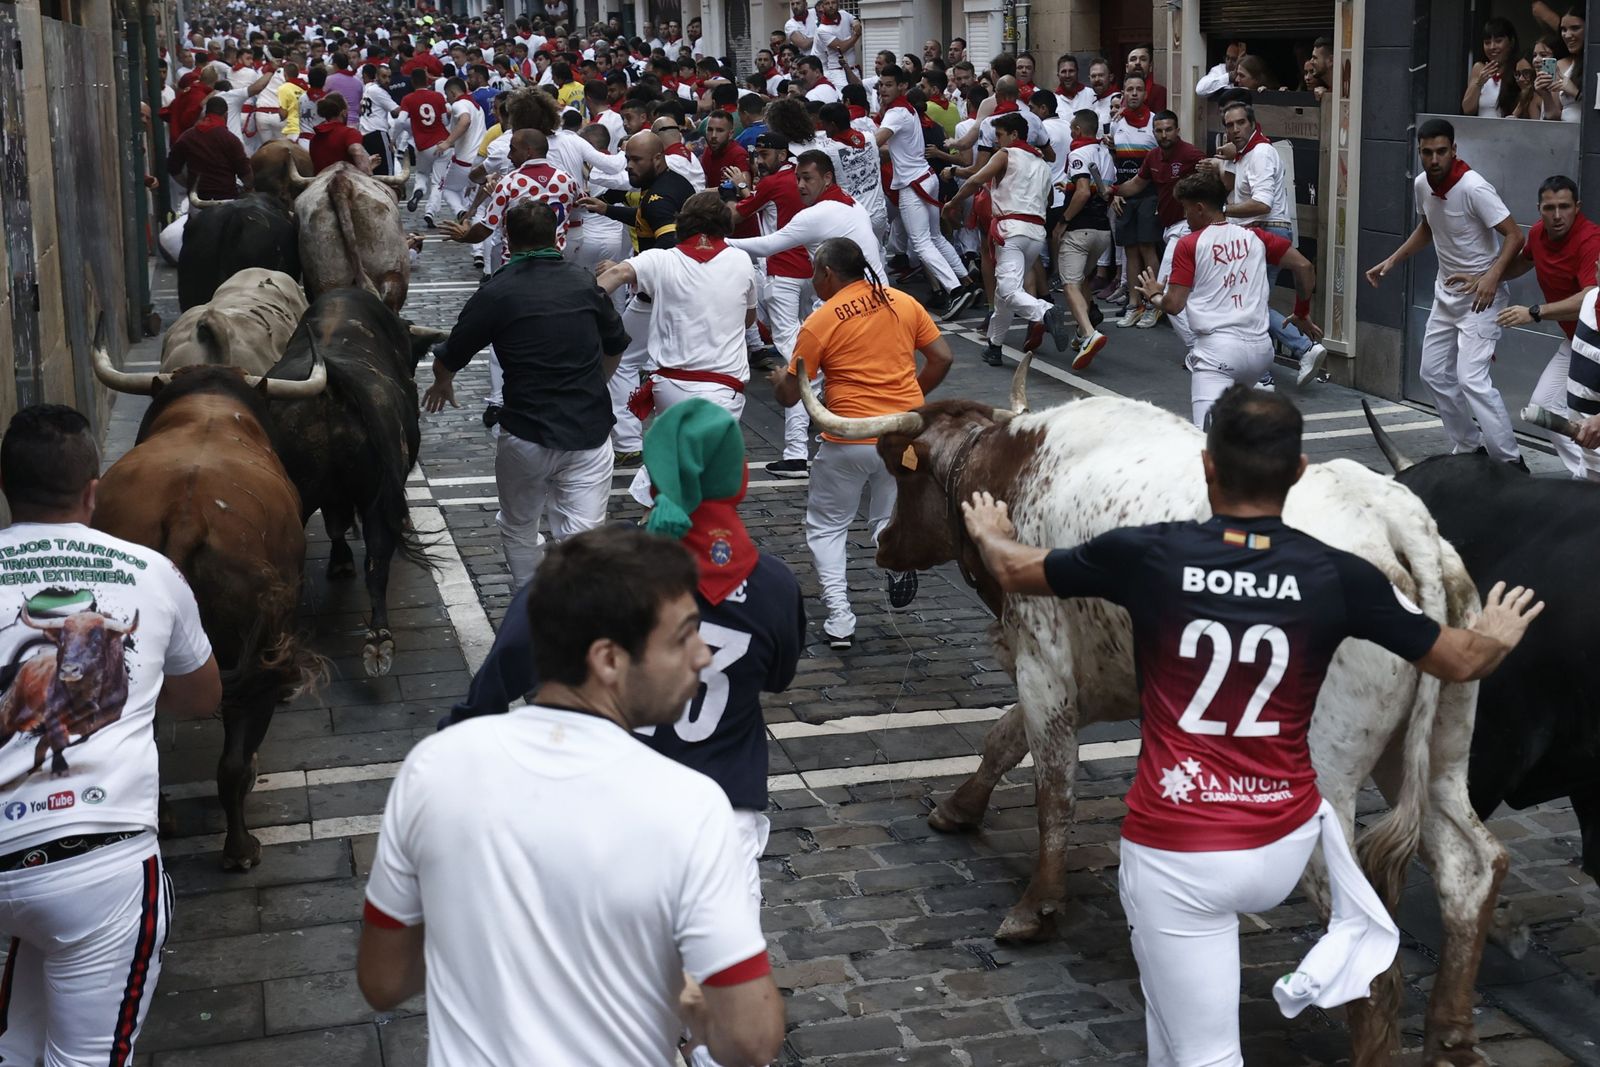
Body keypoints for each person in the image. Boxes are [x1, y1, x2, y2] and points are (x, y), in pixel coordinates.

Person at [956, 384, 1544, 1067]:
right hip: (1281, 842)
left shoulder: (1150, 553)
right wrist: (1497, 632)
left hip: (1178, 850)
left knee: (1203, 1050)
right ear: (1299, 473)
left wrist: (988, 527)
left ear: (1206, 466)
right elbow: (1459, 657)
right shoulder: (1338, 572)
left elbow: (1014, 569)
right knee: (1173, 1039)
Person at [358, 526, 785, 1067]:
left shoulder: (432, 768)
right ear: (608, 659)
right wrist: (695, 1003)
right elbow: (750, 1041)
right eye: (683, 637)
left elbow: (383, 980)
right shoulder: (693, 807)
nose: (702, 656)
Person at [0, 405, 220, 1067]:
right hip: (99, 863)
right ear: (93, 490)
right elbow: (201, 695)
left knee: (14, 1044)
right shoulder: (152, 573)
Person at [422, 200, 629, 587]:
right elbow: (615, 345)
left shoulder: (497, 291)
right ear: (557, 236)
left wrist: (442, 382)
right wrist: (597, 383)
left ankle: (527, 606)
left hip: (526, 433)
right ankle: (577, 612)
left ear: (506, 237)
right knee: (583, 537)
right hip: (589, 430)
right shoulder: (585, 283)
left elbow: (452, 354)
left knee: (519, 526)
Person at [768, 238, 954, 648]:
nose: (813, 280)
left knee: (827, 528)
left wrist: (780, 378)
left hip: (848, 439)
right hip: (903, 436)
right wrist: (912, 401)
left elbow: (790, 395)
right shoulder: (902, 302)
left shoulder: (821, 320)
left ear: (828, 273)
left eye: (815, 272)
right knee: (885, 517)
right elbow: (942, 357)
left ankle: (840, 618)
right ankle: (897, 556)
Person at [1365, 118, 1527, 466]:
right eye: (1427, 153)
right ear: (1419, 153)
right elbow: (1428, 226)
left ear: (1454, 150)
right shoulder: (1423, 185)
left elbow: (1516, 236)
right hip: (1446, 294)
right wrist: (1392, 260)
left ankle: (1510, 460)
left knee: (1472, 380)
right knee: (1432, 373)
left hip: (1482, 298)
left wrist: (1492, 277)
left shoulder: (1474, 187)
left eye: (1441, 151)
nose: (1434, 159)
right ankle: (1469, 445)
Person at [596, 191, 759, 504]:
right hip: (723, 388)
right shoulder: (740, 259)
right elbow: (749, 320)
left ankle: (657, 511)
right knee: (701, 475)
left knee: (676, 462)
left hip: (670, 387)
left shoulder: (661, 258)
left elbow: (615, 274)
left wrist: (583, 309)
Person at [1133, 172, 1322, 428]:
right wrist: (1300, 311)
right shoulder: (1255, 237)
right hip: (1260, 352)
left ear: (1200, 208)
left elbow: (1174, 305)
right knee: (1237, 427)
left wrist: (1154, 295)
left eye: (1186, 210)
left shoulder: (1189, 244)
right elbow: (1304, 266)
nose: (1184, 217)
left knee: (1206, 438)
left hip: (1217, 354)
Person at [577, 131, 698, 466]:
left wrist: (627, 268)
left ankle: (630, 440)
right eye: (628, 159)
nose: (629, 166)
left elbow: (668, 245)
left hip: (658, 293)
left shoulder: (658, 199)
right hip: (675, 291)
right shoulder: (671, 184)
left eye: (636, 160)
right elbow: (645, 218)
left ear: (657, 159)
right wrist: (608, 209)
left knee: (620, 357)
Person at [1472, 175, 1600, 479]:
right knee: (1546, 411)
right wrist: (1487, 278)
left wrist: (1535, 312)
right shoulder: (1540, 234)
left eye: (1565, 207)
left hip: (1595, 346)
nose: (1557, 216)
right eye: (1549, 208)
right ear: (1539, 209)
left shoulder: (1590, 240)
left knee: (1589, 421)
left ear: (1577, 207)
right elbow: (1523, 262)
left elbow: (1590, 296)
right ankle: (1584, 479)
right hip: (1575, 343)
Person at [1203, 100, 1328, 385]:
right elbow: (1233, 188)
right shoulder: (1248, 153)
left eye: (1240, 123)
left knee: (1246, 306)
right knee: (1251, 305)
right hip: (1262, 231)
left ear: (1253, 123)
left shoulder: (1260, 153)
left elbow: (1260, 203)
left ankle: (1282, 361)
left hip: (1264, 230)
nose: (1235, 129)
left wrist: (1220, 212)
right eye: (1229, 125)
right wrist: (1224, 161)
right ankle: (1288, 357)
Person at [943, 113, 1070, 365]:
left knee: (1010, 291)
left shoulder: (1006, 154)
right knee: (1004, 293)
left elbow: (975, 179)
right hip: (1035, 233)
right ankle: (994, 345)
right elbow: (1050, 201)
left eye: (1000, 135)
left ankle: (1045, 312)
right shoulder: (1043, 164)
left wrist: (952, 203)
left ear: (1014, 135)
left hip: (1011, 230)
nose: (997, 141)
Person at [874, 64, 981, 318]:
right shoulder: (906, 109)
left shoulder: (897, 112)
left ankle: (955, 290)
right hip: (926, 178)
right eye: (881, 84)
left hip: (914, 184)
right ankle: (966, 283)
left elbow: (876, 142)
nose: (883, 89)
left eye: (888, 84)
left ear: (901, 86)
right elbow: (891, 148)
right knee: (934, 238)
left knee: (922, 243)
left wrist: (852, 143)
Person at [1056, 108, 1116, 370]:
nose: (1070, 133)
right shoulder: (1106, 154)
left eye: (1072, 129)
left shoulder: (1079, 153)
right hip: (1103, 232)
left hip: (1080, 229)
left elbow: (1082, 193)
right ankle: (1083, 332)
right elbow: (1100, 190)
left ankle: (1089, 333)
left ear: (1078, 130)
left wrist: (1063, 221)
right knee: (1083, 280)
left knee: (1069, 283)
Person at [1108, 74, 1161, 329]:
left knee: (1147, 249)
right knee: (1130, 251)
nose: (1134, 93)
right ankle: (1134, 303)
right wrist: (1117, 191)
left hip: (1149, 195)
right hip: (1124, 197)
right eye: (1129, 89)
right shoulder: (1115, 123)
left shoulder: (1154, 122)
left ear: (1145, 93)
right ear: (1124, 93)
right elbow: (1113, 158)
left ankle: (1154, 303)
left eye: (1139, 89)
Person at [167, 95, 253, 199]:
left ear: (205, 114)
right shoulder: (230, 139)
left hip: (197, 199)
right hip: (226, 199)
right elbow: (245, 174)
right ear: (226, 115)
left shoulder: (187, 136)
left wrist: (189, 185)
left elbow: (173, 167)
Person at [428, 77, 488, 225]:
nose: (447, 100)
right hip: (480, 161)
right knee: (475, 201)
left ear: (453, 93)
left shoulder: (459, 104)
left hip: (464, 160)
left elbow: (465, 121)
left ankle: (461, 213)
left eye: (447, 96)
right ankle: (468, 218)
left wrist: (448, 143)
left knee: (448, 190)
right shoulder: (477, 107)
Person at [399, 68, 450, 213]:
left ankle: (418, 191)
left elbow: (400, 121)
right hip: (442, 142)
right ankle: (430, 212)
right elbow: (445, 121)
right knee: (438, 181)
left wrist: (395, 137)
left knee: (421, 174)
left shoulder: (408, 99)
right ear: (427, 80)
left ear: (413, 82)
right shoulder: (438, 97)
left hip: (422, 145)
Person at [1463, 17, 1521, 117]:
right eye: (1487, 42)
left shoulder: (1520, 66)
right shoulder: (1479, 68)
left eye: (1498, 41)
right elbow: (1467, 109)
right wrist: (1479, 83)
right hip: (1482, 130)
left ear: (1511, 42)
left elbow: (1527, 100)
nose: (1492, 47)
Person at [308, 93, 373, 173]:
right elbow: (356, 150)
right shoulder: (349, 133)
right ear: (344, 113)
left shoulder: (314, 138)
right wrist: (367, 170)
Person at [359, 63, 399, 174]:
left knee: (373, 172)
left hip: (365, 135)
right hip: (378, 135)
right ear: (376, 76)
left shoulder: (367, 88)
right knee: (388, 173)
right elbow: (396, 111)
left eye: (389, 77)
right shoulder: (379, 91)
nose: (387, 80)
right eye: (384, 76)